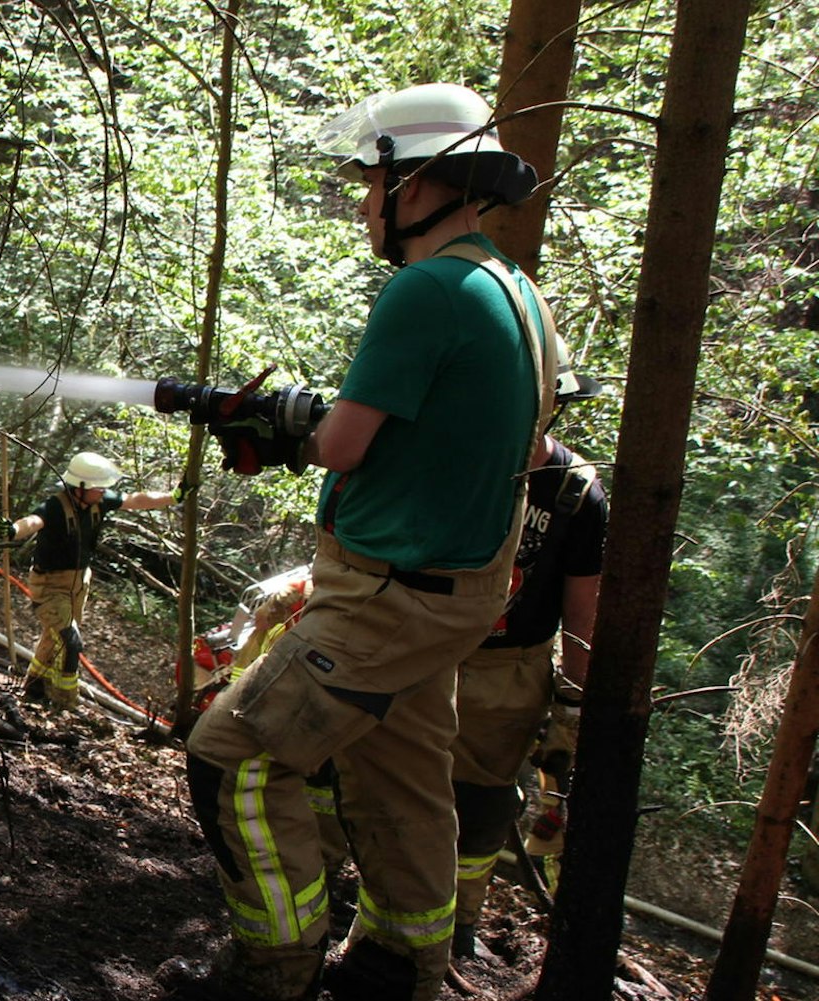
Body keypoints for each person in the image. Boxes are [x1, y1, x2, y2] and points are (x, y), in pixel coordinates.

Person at [180, 82, 555, 1001]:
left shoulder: (424, 289)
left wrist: (279, 430)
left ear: (419, 181)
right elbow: (522, 441)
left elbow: (344, 444)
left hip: (384, 596)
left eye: (369, 182)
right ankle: (402, 964)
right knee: (400, 777)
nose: (361, 202)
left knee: (233, 754)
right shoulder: (515, 291)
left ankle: (277, 963)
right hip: (458, 593)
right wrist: (294, 419)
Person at [452, 429, 605, 955]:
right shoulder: (455, 448)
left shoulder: (576, 492)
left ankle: (457, 923)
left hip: (509, 672)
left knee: (479, 801)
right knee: (376, 769)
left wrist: (574, 697)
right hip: (426, 645)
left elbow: (582, 608)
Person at [7, 451, 175, 710]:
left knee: (54, 637)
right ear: (80, 487)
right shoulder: (55, 506)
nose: (103, 492)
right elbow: (32, 521)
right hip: (49, 585)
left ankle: (35, 685)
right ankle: (65, 703)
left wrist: (175, 495)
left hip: (78, 583)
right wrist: (13, 530)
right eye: (98, 488)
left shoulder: (99, 501)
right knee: (70, 642)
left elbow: (137, 500)